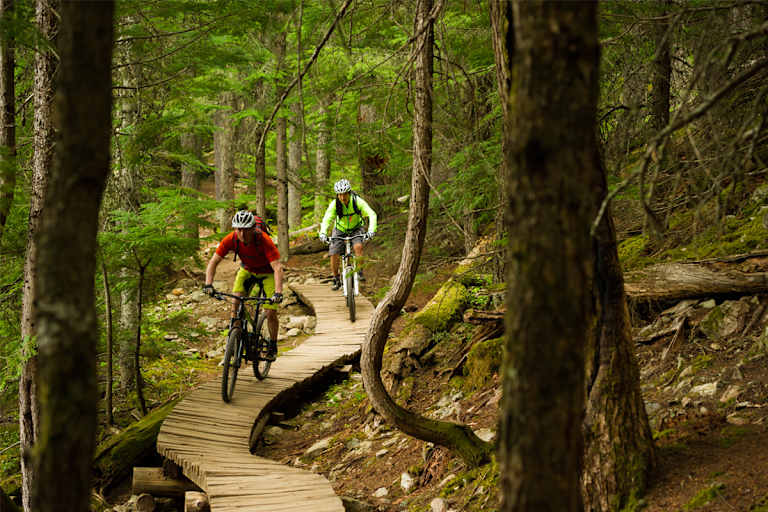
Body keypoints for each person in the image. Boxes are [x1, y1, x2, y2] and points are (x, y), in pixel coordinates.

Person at [203, 210, 283, 360]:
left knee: (270, 311)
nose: (241, 233)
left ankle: (272, 344)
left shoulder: (263, 239)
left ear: (253, 229)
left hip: (267, 273)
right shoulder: (231, 239)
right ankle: (235, 341)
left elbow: (277, 267)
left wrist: (277, 293)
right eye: (238, 229)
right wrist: (208, 284)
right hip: (247, 270)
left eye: (245, 229)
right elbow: (213, 262)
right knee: (235, 303)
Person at [318, 178, 377, 290]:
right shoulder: (335, 204)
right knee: (334, 253)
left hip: (356, 228)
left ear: (349, 193)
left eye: (344, 194)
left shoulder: (357, 201)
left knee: (358, 247)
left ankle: (359, 272)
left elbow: (371, 214)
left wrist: (371, 231)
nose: (342, 197)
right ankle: (336, 278)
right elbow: (327, 219)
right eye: (339, 195)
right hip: (340, 229)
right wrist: (323, 233)